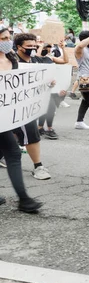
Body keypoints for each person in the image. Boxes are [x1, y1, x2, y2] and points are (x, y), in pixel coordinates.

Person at [0, 27, 43, 212]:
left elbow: (20, 85)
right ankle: (24, 200)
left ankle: (24, 199)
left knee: (10, 153)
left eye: (8, 37)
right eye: (3, 38)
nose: (7, 41)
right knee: (13, 153)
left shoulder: (11, 58)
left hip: (6, 117)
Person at [12, 33, 56, 180]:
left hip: (31, 105)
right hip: (16, 106)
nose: (32, 48)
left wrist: (51, 83)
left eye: (34, 46)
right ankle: (38, 167)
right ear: (19, 47)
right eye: (28, 46)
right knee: (31, 132)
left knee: (10, 136)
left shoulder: (37, 61)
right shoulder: (10, 61)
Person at [37, 41, 70, 140]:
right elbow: (37, 57)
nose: (47, 48)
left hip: (50, 87)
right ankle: (47, 129)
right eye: (46, 46)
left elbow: (65, 60)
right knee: (47, 108)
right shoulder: (34, 57)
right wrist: (41, 45)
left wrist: (63, 48)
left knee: (50, 108)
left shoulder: (50, 57)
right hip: (39, 88)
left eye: (49, 47)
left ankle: (42, 128)